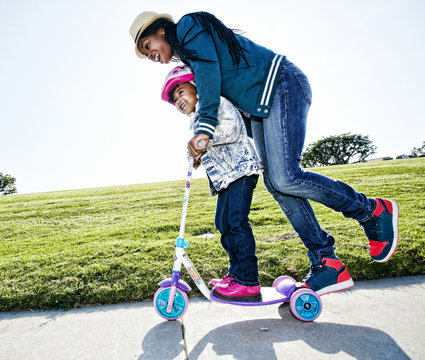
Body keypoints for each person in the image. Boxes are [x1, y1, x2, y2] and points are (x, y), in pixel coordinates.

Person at [129, 11, 400, 296]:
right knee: (278, 183)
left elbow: (209, 75)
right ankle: (327, 262)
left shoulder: (188, 27)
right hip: (261, 108)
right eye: (145, 54)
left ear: (160, 30)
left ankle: (372, 211)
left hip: (281, 84)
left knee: (285, 176)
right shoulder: (188, 53)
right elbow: (226, 97)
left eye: (148, 46)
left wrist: (205, 128)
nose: (150, 56)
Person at [161, 64, 264, 301]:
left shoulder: (214, 103)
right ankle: (236, 274)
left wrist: (203, 141)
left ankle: (249, 280)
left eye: (181, 92)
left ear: (196, 88)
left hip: (241, 171)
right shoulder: (196, 121)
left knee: (237, 222)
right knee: (223, 223)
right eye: (174, 99)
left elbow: (231, 129)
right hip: (226, 179)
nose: (178, 100)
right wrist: (198, 158)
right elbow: (209, 147)